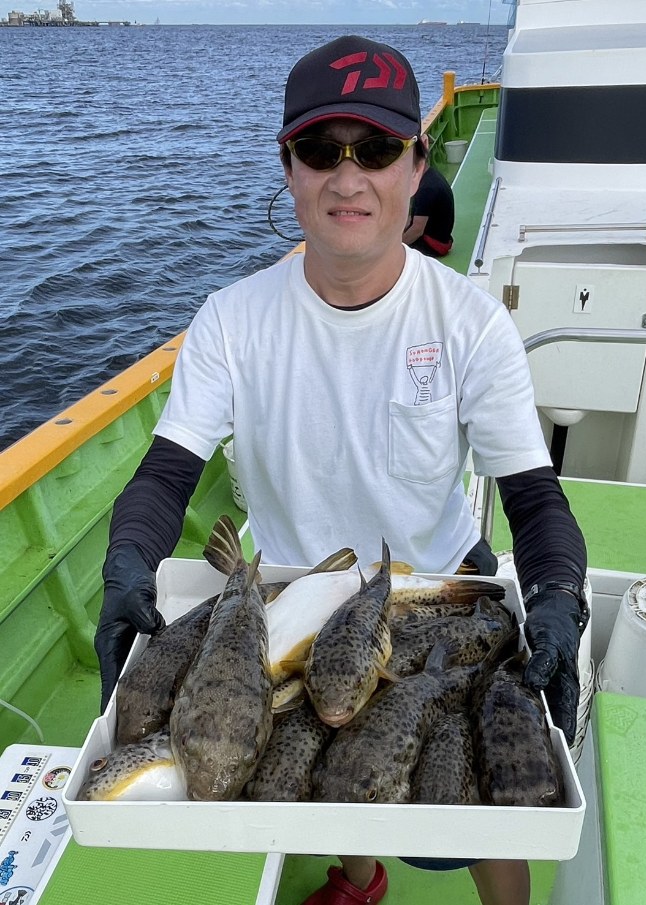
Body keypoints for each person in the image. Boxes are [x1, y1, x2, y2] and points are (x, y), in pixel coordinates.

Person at [94, 35, 588, 905]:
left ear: (416, 164)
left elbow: (532, 497)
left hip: (432, 596)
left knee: (470, 806)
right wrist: (126, 564)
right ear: (288, 168)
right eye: (321, 150)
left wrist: (558, 595)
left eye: (377, 149)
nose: (347, 177)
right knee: (315, 784)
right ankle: (360, 879)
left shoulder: (470, 322)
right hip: (289, 604)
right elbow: (166, 474)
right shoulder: (231, 320)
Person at [403, 161, 455, 256]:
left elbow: (417, 230)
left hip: (433, 244)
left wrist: (396, 247)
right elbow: (411, 218)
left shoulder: (426, 189)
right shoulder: (431, 175)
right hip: (442, 237)